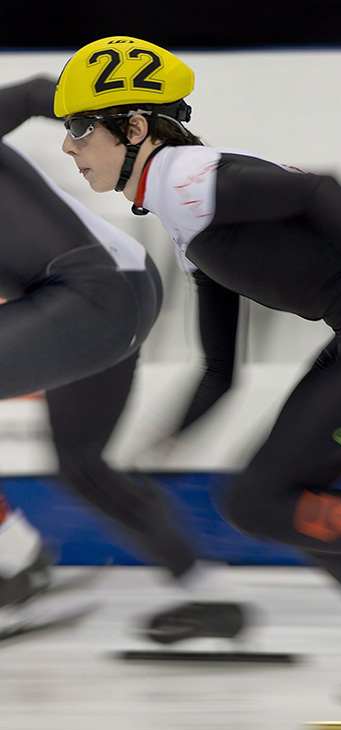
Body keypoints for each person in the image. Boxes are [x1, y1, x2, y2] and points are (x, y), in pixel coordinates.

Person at [54, 37, 341, 665]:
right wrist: (164, 443)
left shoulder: (188, 179)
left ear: (132, 127)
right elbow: (220, 368)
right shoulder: (184, 213)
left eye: (78, 128)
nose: (67, 146)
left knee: (260, 501)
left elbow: (319, 191)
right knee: (295, 500)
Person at [0, 75, 212, 632]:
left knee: (82, 466)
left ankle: (13, 562)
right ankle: (209, 594)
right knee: (82, 466)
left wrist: (130, 131)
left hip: (88, 296)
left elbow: (33, 94)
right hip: (121, 291)